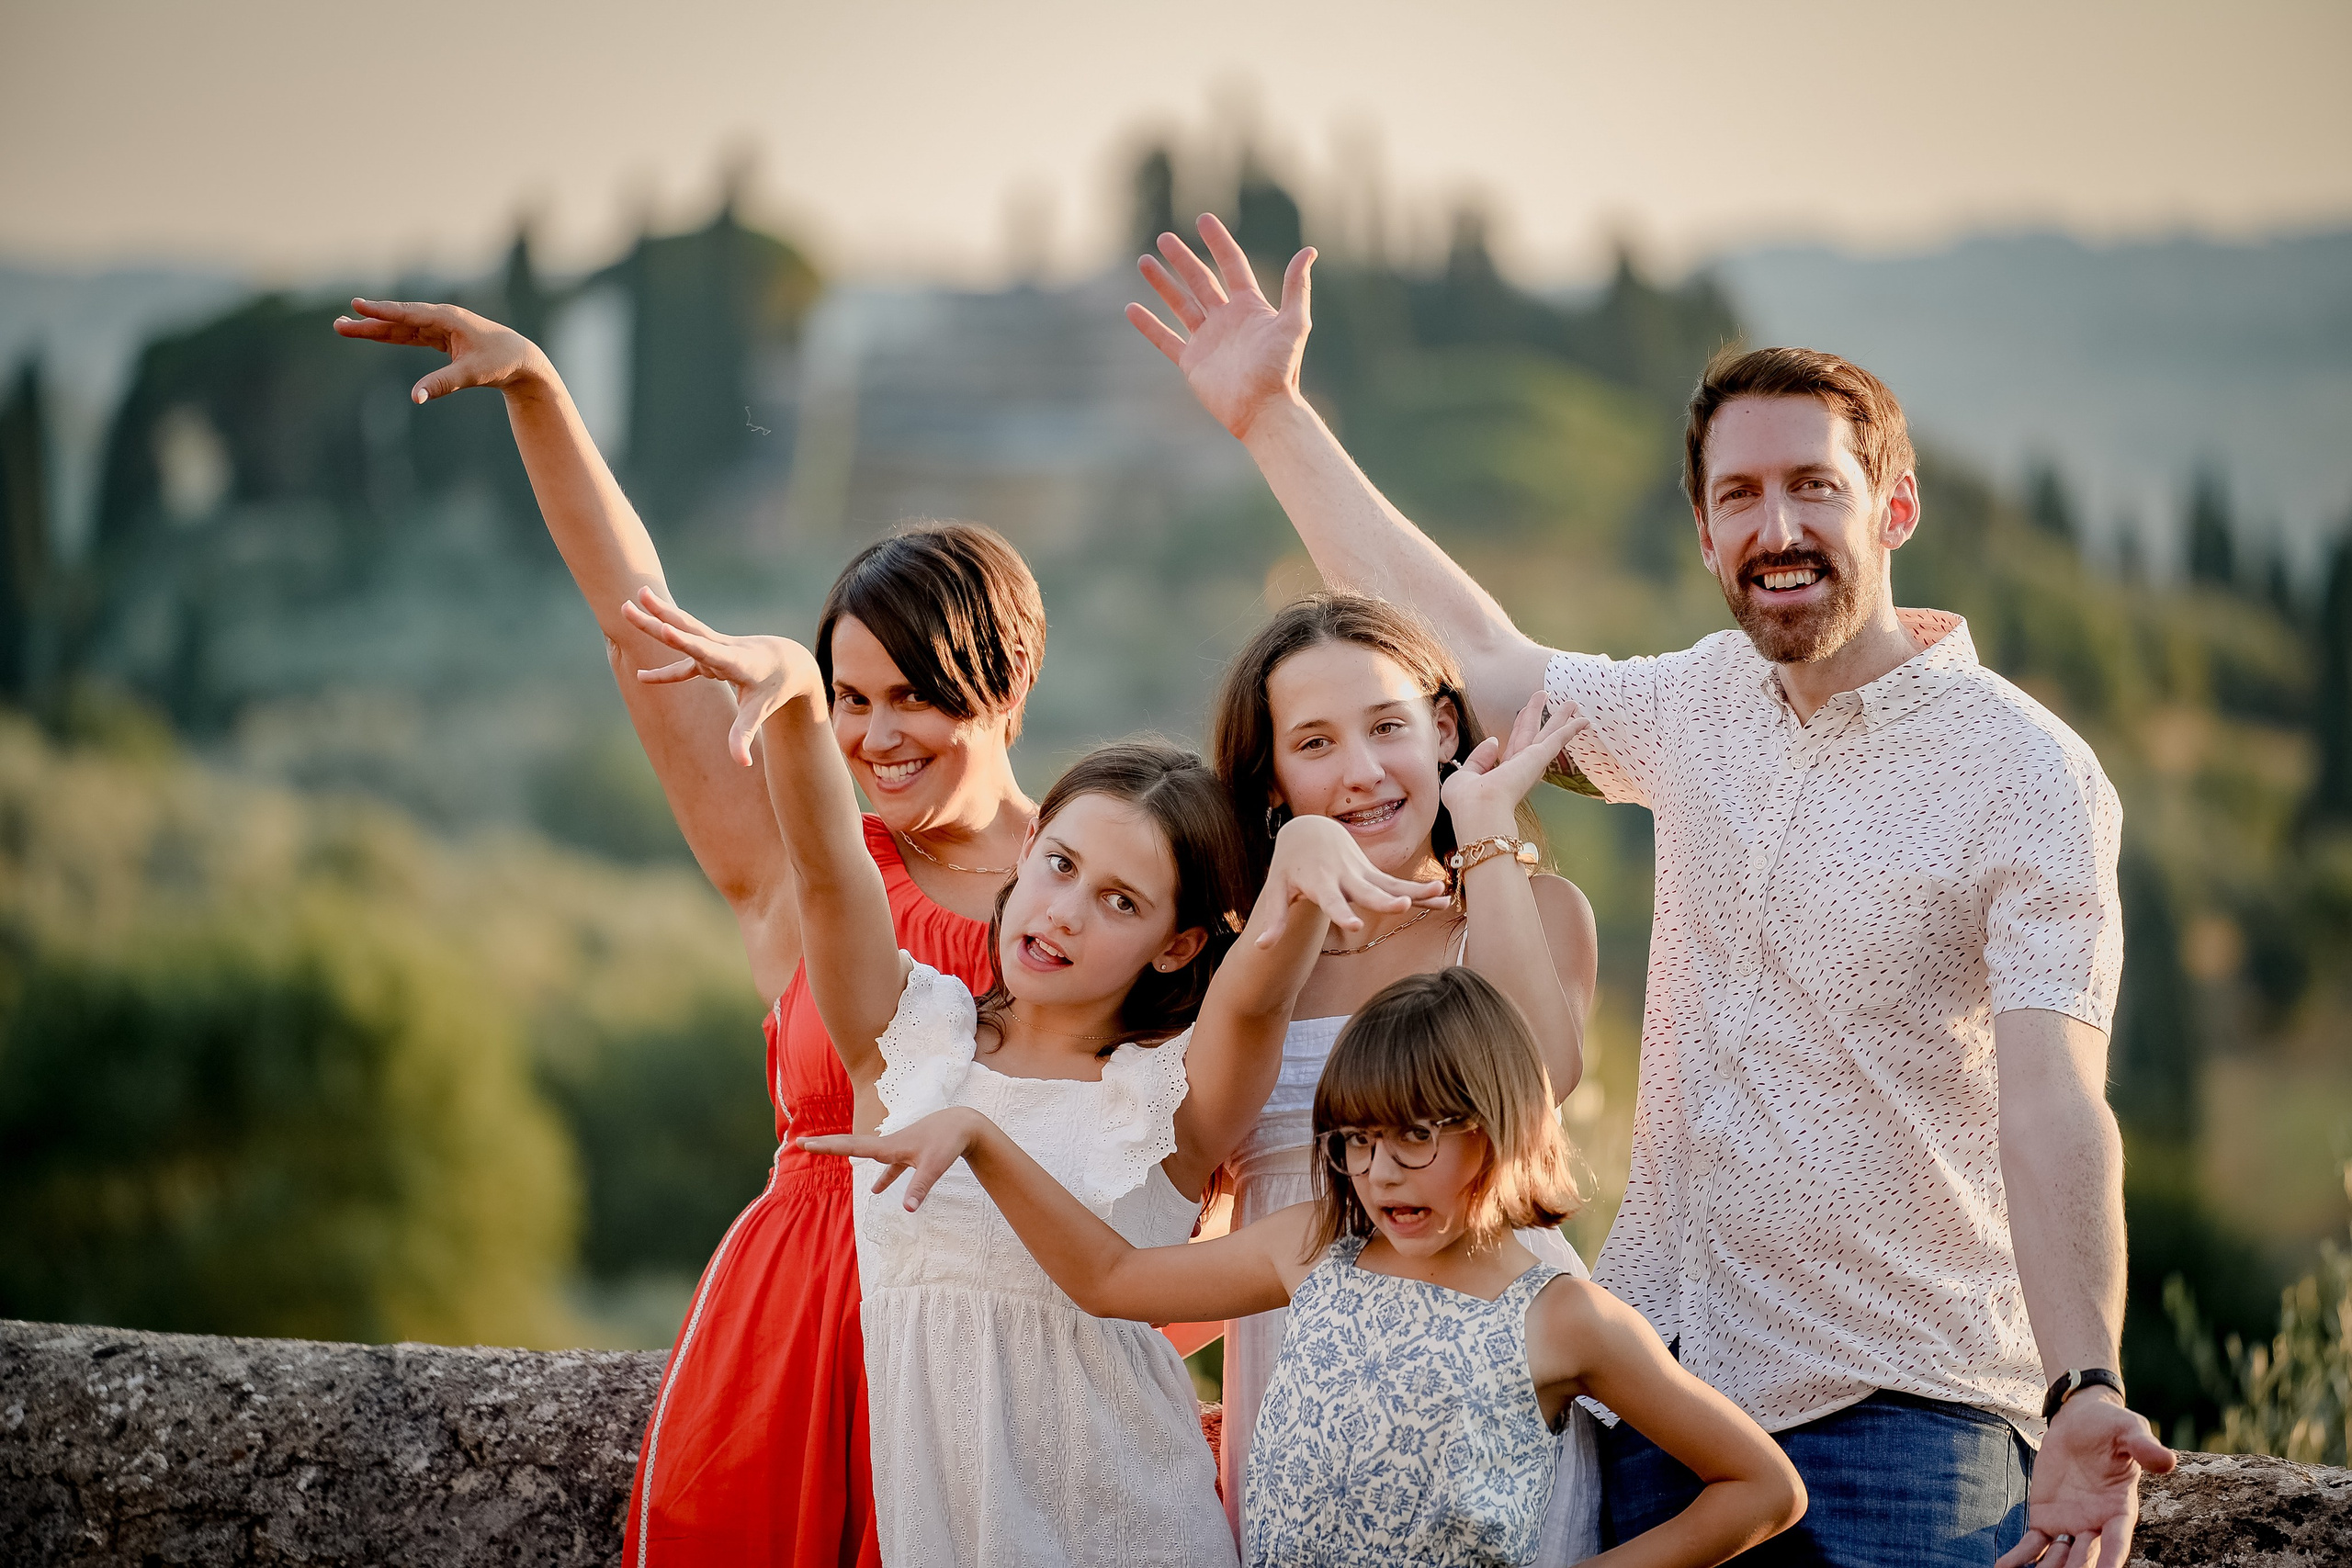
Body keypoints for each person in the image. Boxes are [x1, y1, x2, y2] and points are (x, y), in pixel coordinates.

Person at [1125, 216, 2177, 1567]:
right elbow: (1474, 655)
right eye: (1740, 496)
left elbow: (2054, 1105)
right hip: (1666, 1393)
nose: (1778, 527)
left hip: (1908, 1406)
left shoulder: (2027, 772)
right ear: (1703, 525)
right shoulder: (1694, 702)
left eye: (1815, 487)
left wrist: (2084, 1377)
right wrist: (1271, 417)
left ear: (1894, 504)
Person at [334, 300, 1039, 1567]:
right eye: (855, 696)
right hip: (786, 1337)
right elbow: (638, 617)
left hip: (997, 1359)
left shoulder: (1099, 874)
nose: (878, 737)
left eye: (920, 698)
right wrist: (542, 396)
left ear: (1008, 682)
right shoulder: (796, 865)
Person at [617, 588, 1503, 1567]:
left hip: (1136, 1533)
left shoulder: (1171, 1092)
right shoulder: (909, 1042)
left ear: (1175, 947)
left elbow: (1252, 996)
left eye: (1118, 900)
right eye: (1059, 865)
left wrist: (1297, 856)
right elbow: (830, 876)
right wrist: (794, 705)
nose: (1065, 912)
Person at [808, 966, 1807, 1568]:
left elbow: (1761, 1490)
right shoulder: (1316, 1248)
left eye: (1417, 1135)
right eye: (1357, 1142)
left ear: (1498, 1128)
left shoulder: (1563, 1317)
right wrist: (983, 1136)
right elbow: (1110, 1279)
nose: (1380, 1173)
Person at [1205, 592, 1601, 1538]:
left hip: (1493, 1369)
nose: (1362, 772)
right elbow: (1198, 1143)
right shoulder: (1232, 957)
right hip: (1295, 1368)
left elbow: (1536, 1078)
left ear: (1441, 729)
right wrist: (1286, 898)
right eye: (1313, 744)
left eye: (1387, 727)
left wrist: (1484, 829)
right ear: (1270, 784)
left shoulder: (1536, 911)